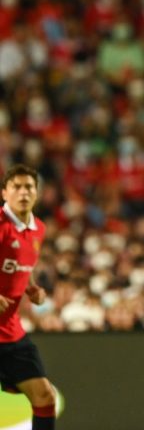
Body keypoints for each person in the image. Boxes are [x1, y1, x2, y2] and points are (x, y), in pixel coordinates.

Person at [0, 164, 57, 429]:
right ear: (4, 193)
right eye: (16, 187)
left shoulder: (39, 229)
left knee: (45, 396)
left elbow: (21, 262)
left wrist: (31, 287)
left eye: (29, 187)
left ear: (37, 193)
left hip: (10, 331)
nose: (23, 192)